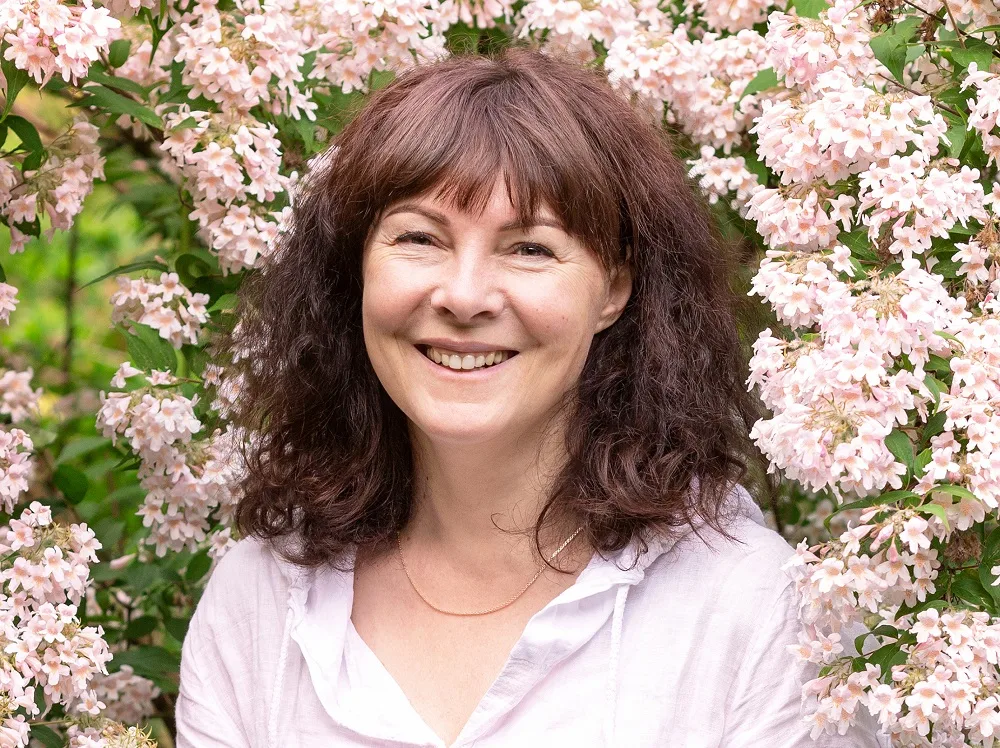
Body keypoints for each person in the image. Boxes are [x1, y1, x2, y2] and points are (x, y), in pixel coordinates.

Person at [175, 47, 888, 747]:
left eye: (530, 249)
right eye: (419, 237)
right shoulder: (258, 602)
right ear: (355, 269)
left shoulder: (752, 610)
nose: (463, 296)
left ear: (614, 288)